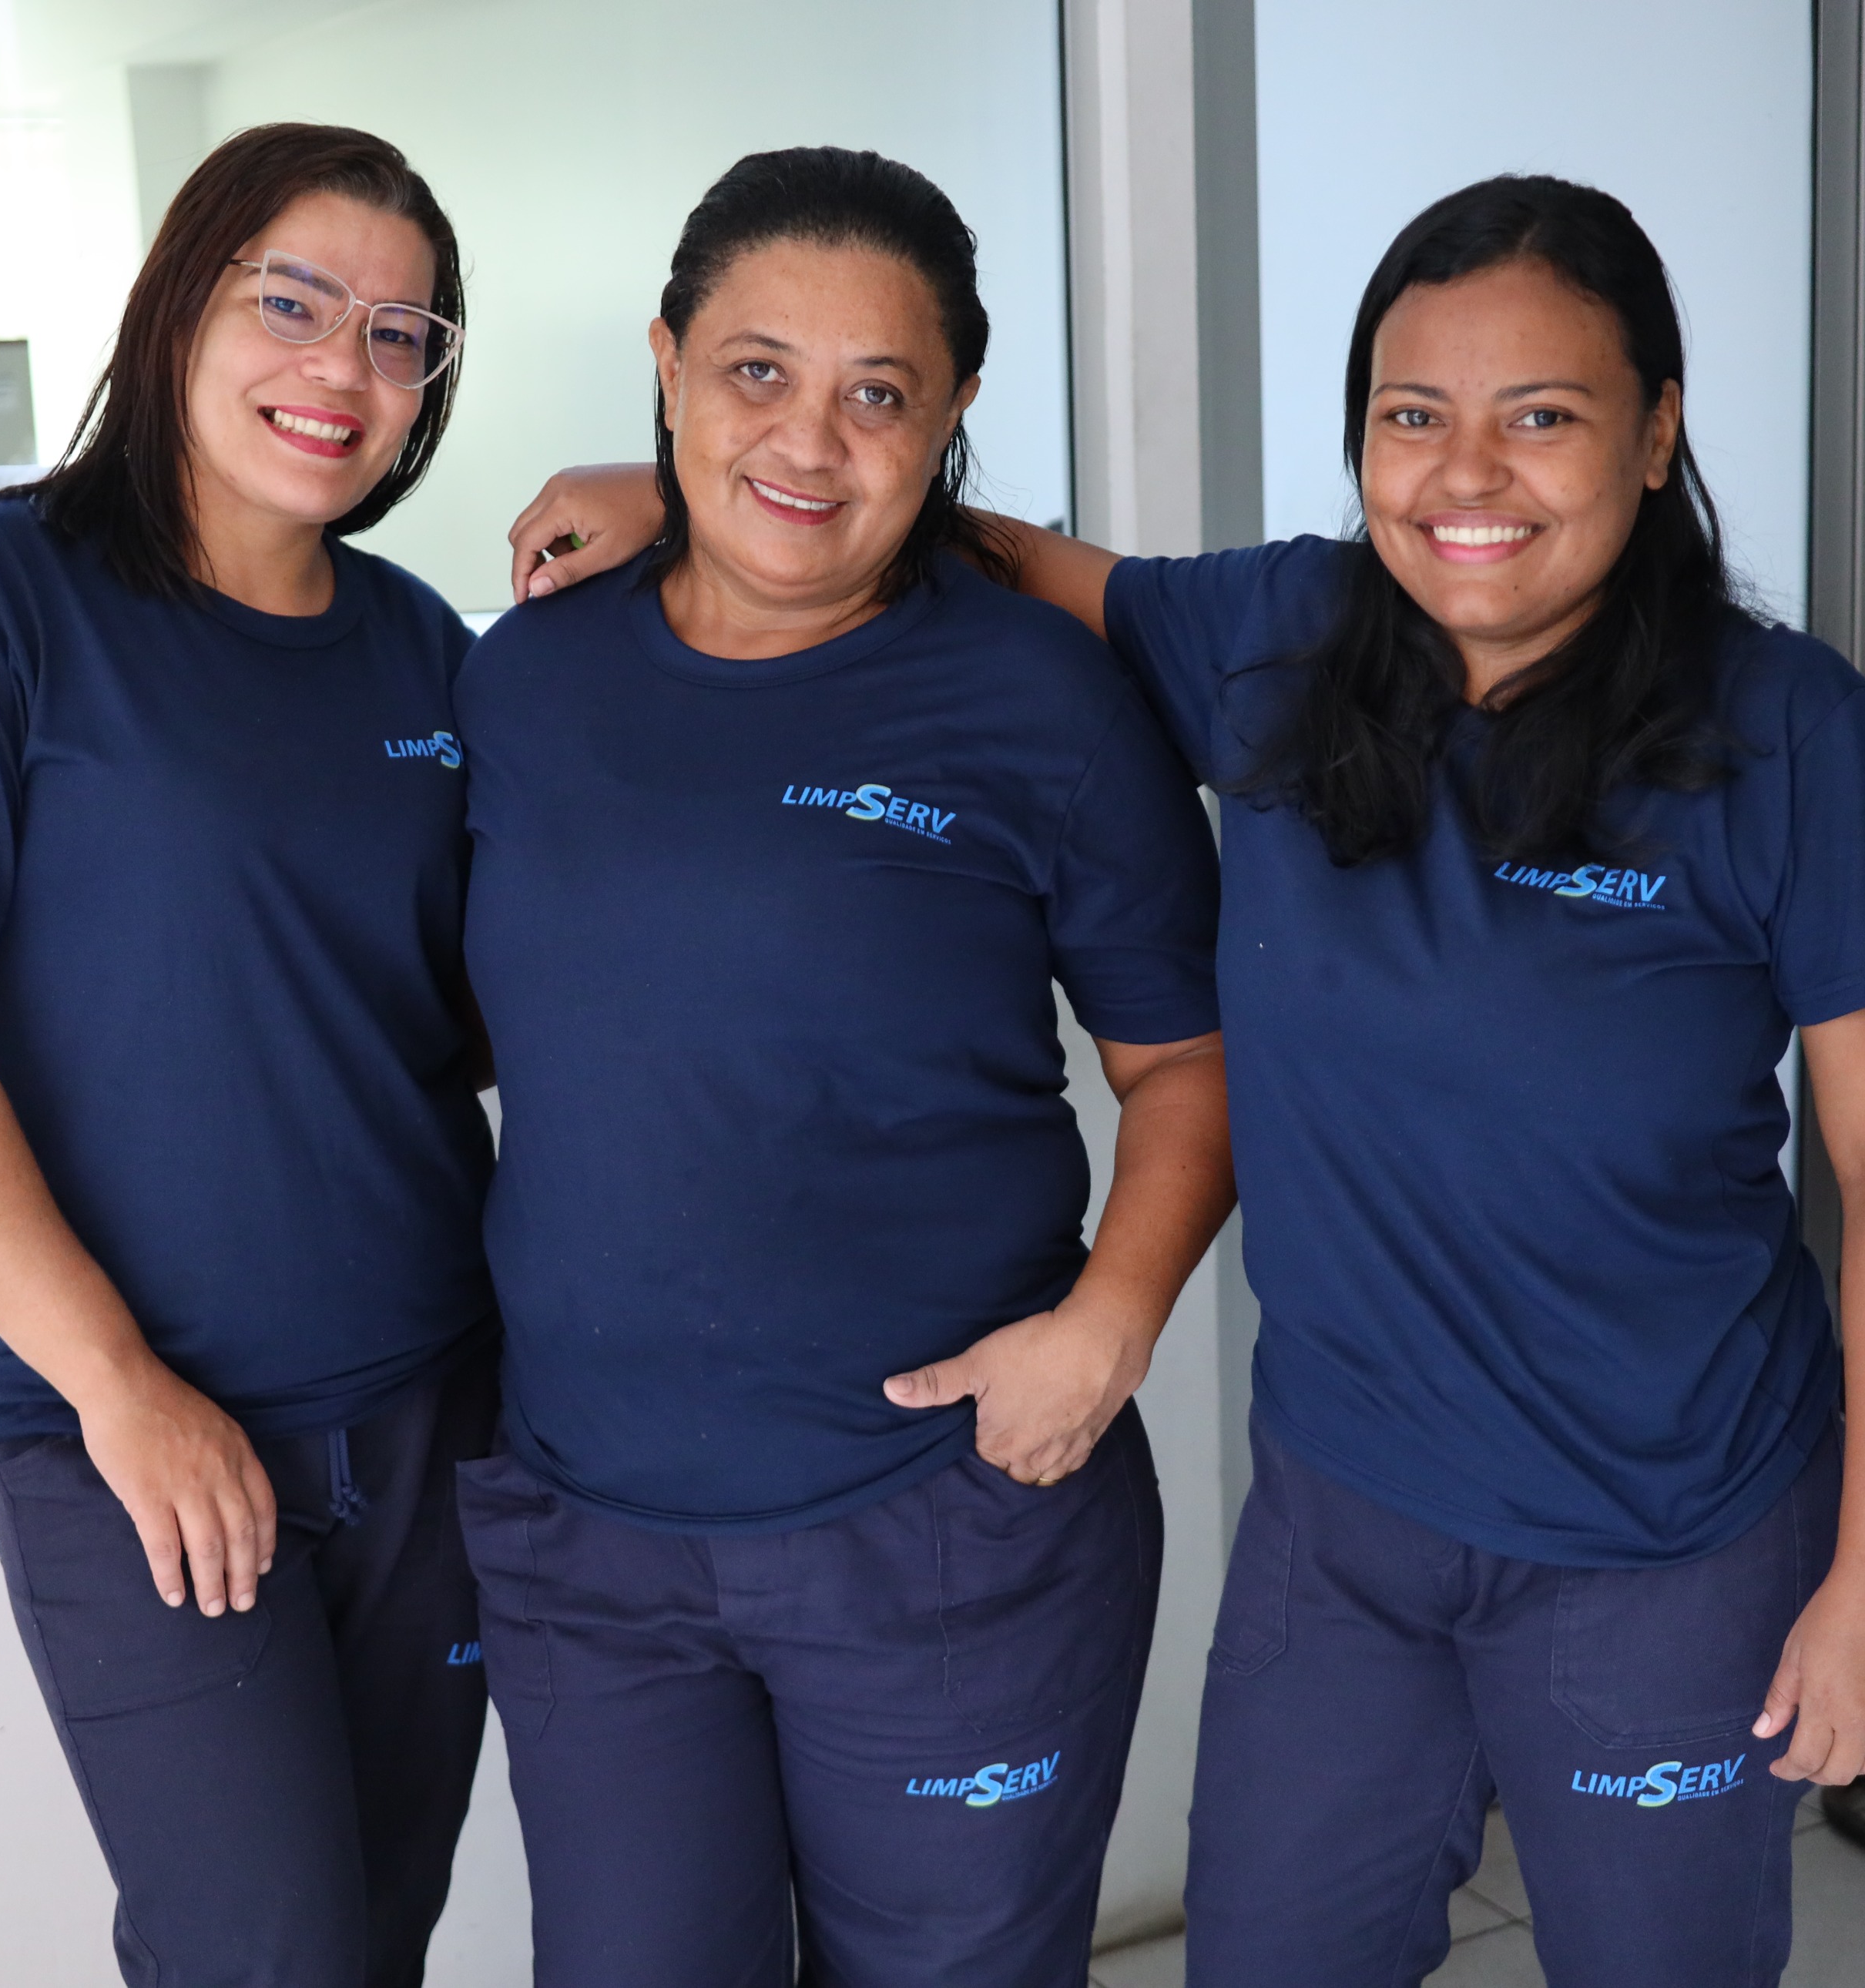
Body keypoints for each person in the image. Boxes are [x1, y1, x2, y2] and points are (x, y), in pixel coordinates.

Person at [512, 173, 1865, 1988]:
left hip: (1662, 1529)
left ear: (1657, 430)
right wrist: (671, 492)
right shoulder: (1287, 640)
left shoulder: (1791, 734)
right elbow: (980, 550)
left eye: (1540, 418)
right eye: (1412, 416)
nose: (1466, 474)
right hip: (1343, 1521)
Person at [453, 146, 1233, 1988]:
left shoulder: (1044, 700)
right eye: (755, 372)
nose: (808, 440)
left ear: (951, 414)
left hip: (943, 1524)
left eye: (878, 393)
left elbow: (1192, 1066)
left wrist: (1110, 1323)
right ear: (665, 365)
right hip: (592, 1536)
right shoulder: (525, 681)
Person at [0, 125, 495, 1988]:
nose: (343, 367)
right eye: (295, 302)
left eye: (400, 333)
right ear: (180, 298)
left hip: (434, 1407)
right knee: (261, 1951)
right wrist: (118, 1385)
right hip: (130, 1429)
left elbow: (478, 1014)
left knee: (379, 1932)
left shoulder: (425, 654)